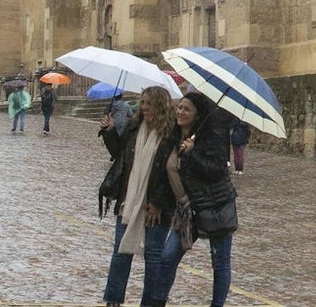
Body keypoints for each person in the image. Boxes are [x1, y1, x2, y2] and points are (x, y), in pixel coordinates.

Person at [154, 91, 237, 307]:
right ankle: (158, 302)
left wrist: (193, 153)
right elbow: (165, 172)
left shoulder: (212, 137)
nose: (180, 112)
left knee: (220, 263)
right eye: (179, 107)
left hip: (215, 207)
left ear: (198, 114)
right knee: (167, 257)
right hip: (186, 210)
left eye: (186, 109)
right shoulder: (173, 137)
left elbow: (218, 170)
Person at [99, 85, 179, 307]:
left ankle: (150, 302)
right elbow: (119, 156)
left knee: (153, 256)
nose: (144, 108)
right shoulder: (135, 127)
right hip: (129, 199)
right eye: (142, 103)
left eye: (149, 103)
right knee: (120, 251)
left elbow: (169, 172)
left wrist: (158, 203)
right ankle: (113, 298)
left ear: (160, 105)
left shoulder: (172, 134)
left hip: (156, 205)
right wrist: (109, 132)